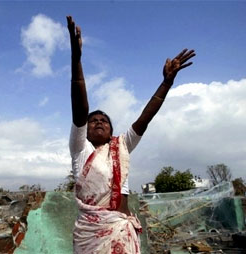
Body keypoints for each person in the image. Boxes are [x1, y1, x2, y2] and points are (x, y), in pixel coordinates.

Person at [67, 16, 196, 254]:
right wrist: (76, 59)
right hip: (90, 234)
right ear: (84, 129)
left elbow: (145, 117)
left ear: (111, 131)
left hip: (121, 229)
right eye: (93, 120)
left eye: (104, 121)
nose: (98, 122)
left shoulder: (122, 145)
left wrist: (167, 82)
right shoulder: (80, 149)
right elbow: (79, 107)